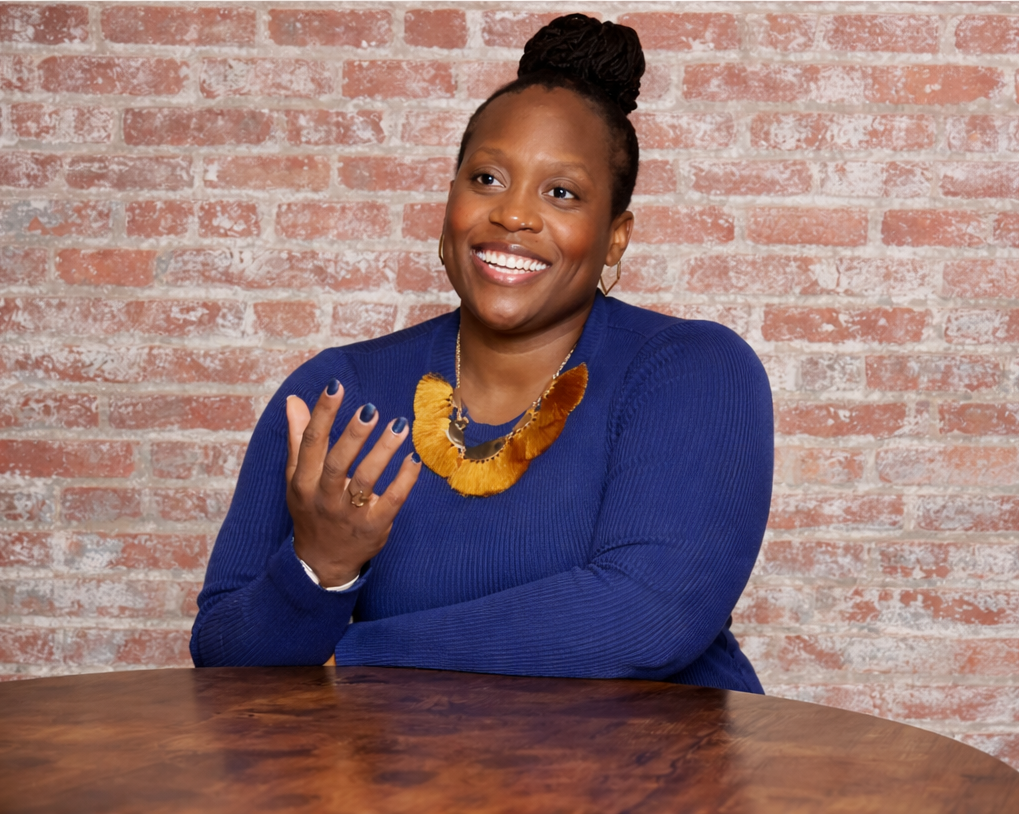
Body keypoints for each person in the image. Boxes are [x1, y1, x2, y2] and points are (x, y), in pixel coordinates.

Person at [190, 14, 773, 693]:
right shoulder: (338, 393)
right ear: (449, 203)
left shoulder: (690, 372)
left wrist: (347, 653)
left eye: (562, 193)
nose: (513, 215)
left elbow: (643, 618)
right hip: (403, 793)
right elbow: (225, 658)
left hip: (646, 789)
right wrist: (320, 569)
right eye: (487, 179)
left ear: (614, 238)